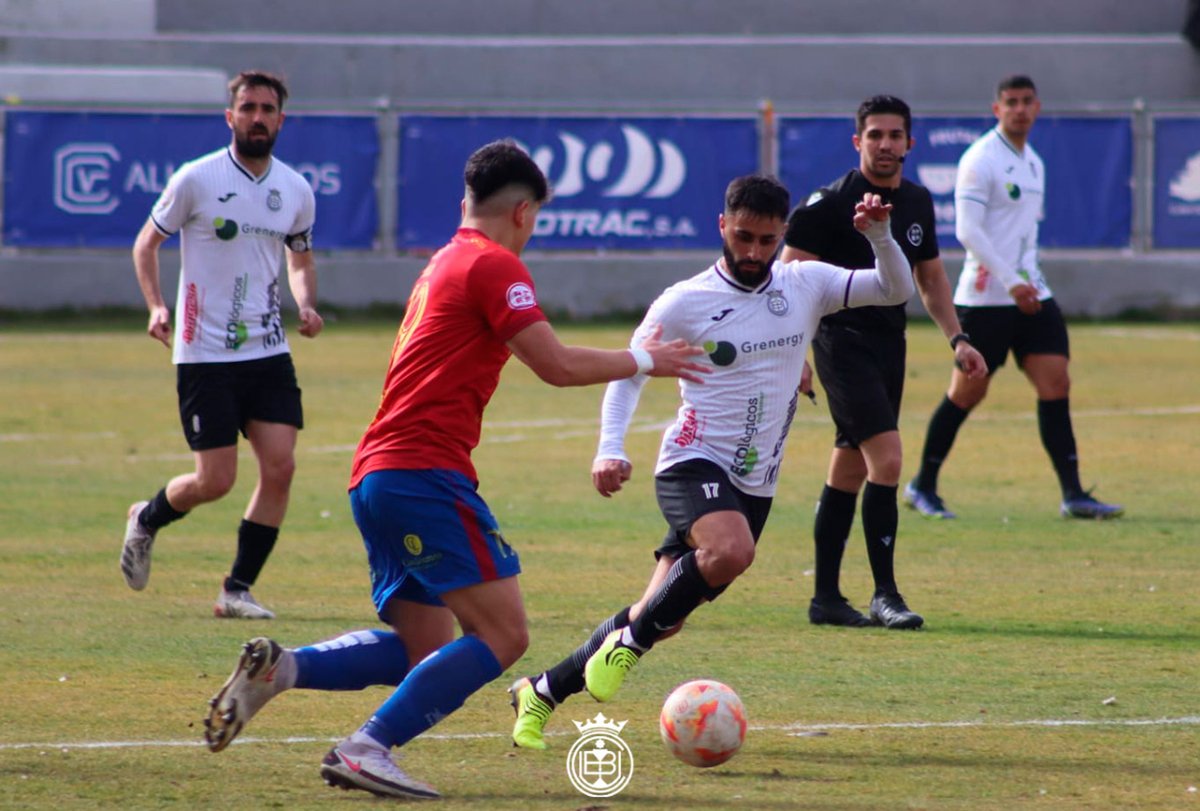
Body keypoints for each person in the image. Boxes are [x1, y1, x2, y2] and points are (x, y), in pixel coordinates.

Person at [200, 140, 710, 800]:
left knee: (424, 644)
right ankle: (366, 747)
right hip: (422, 473)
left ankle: (284, 668)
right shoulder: (494, 266)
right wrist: (645, 359)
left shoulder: (444, 259)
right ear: (523, 212)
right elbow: (553, 364)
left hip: (378, 475)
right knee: (504, 633)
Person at [508, 174, 916, 751]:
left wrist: (880, 236)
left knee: (660, 614)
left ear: (783, 236)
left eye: (767, 241)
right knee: (730, 552)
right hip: (691, 464)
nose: (753, 253)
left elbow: (893, 288)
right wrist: (610, 447)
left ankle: (543, 690)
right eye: (743, 237)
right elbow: (631, 370)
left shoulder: (806, 285)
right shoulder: (685, 301)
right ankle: (627, 648)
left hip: (755, 484)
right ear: (722, 226)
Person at [120, 70, 324, 619]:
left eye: (267, 109)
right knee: (216, 481)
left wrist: (305, 302)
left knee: (280, 467)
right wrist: (156, 305)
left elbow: (299, 257)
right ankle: (147, 518)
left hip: (267, 349)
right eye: (248, 107)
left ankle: (236, 590)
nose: (258, 117)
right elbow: (147, 243)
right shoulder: (196, 179)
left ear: (282, 119)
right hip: (203, 352)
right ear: (230, 116)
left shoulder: (295, 189)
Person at [780, 95, 987, 630]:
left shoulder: (916, 201)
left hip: (889, 345)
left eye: (895, 135)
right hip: (839, 342)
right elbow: (786, 282)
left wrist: (957, 339)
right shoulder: (828, 203)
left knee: (849, 465)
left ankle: (825, 598)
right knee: (888, 459)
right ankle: (885, 594)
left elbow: (931, 279)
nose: (886, 144)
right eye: (875, 135)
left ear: (910, 143)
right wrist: (794, 353)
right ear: (858, 142)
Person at [905, 75, 1124, 521]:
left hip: (1032, 293)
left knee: (1056, 382)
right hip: (987, 297)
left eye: (1026, 102)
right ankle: (921, 485)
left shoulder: (1035, 162)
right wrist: (1009, 280)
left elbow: (1022, 234)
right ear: (996, 109)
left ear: (1037, 108)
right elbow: (968, 231)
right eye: (1011, 102)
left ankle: (1073, 494)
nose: (1019, 110)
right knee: (967, 393)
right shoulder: (979, 159)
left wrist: (1027, 281)